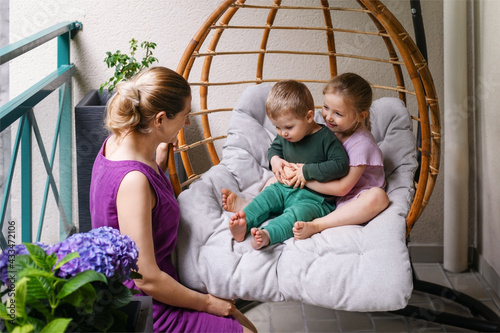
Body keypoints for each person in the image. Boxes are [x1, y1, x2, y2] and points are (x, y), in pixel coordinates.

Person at [89, 66, 257, 333]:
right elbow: (145, 278)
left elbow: (137, 207)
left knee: (239, 318)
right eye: (184, 116)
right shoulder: (134, 181)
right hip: (144, 305)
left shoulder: (117, 143)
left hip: (158, 283)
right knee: (243, 327)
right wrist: (207, 303)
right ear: (159, 120)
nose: (187, 124)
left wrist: (159, 163)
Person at [223, 73, 389, 240]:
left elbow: (342, 188)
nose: (328, 117)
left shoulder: (362, 144)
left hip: (350, 197)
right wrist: (278, 163)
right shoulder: (332, 130)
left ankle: (318, 224)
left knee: (378, 198)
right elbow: (281, 148)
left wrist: (303, 177)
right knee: (275, 182)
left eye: (338, 113)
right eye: (325, 107)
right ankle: (251, 208)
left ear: (360, 116)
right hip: (322, 187)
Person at [229, 80, 349, 250]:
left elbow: (341, 164)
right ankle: (244, 223)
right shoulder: (286, 136)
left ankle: (267, 234)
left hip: (315, 200)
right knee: (266, 197)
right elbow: (274, 149)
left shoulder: (325, 138)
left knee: (295, 215)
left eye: (288, 127)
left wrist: (306, 171)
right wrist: (275, 161)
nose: (283, 133)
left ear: (308, 117)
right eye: (277, 127)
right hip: (285, 188)